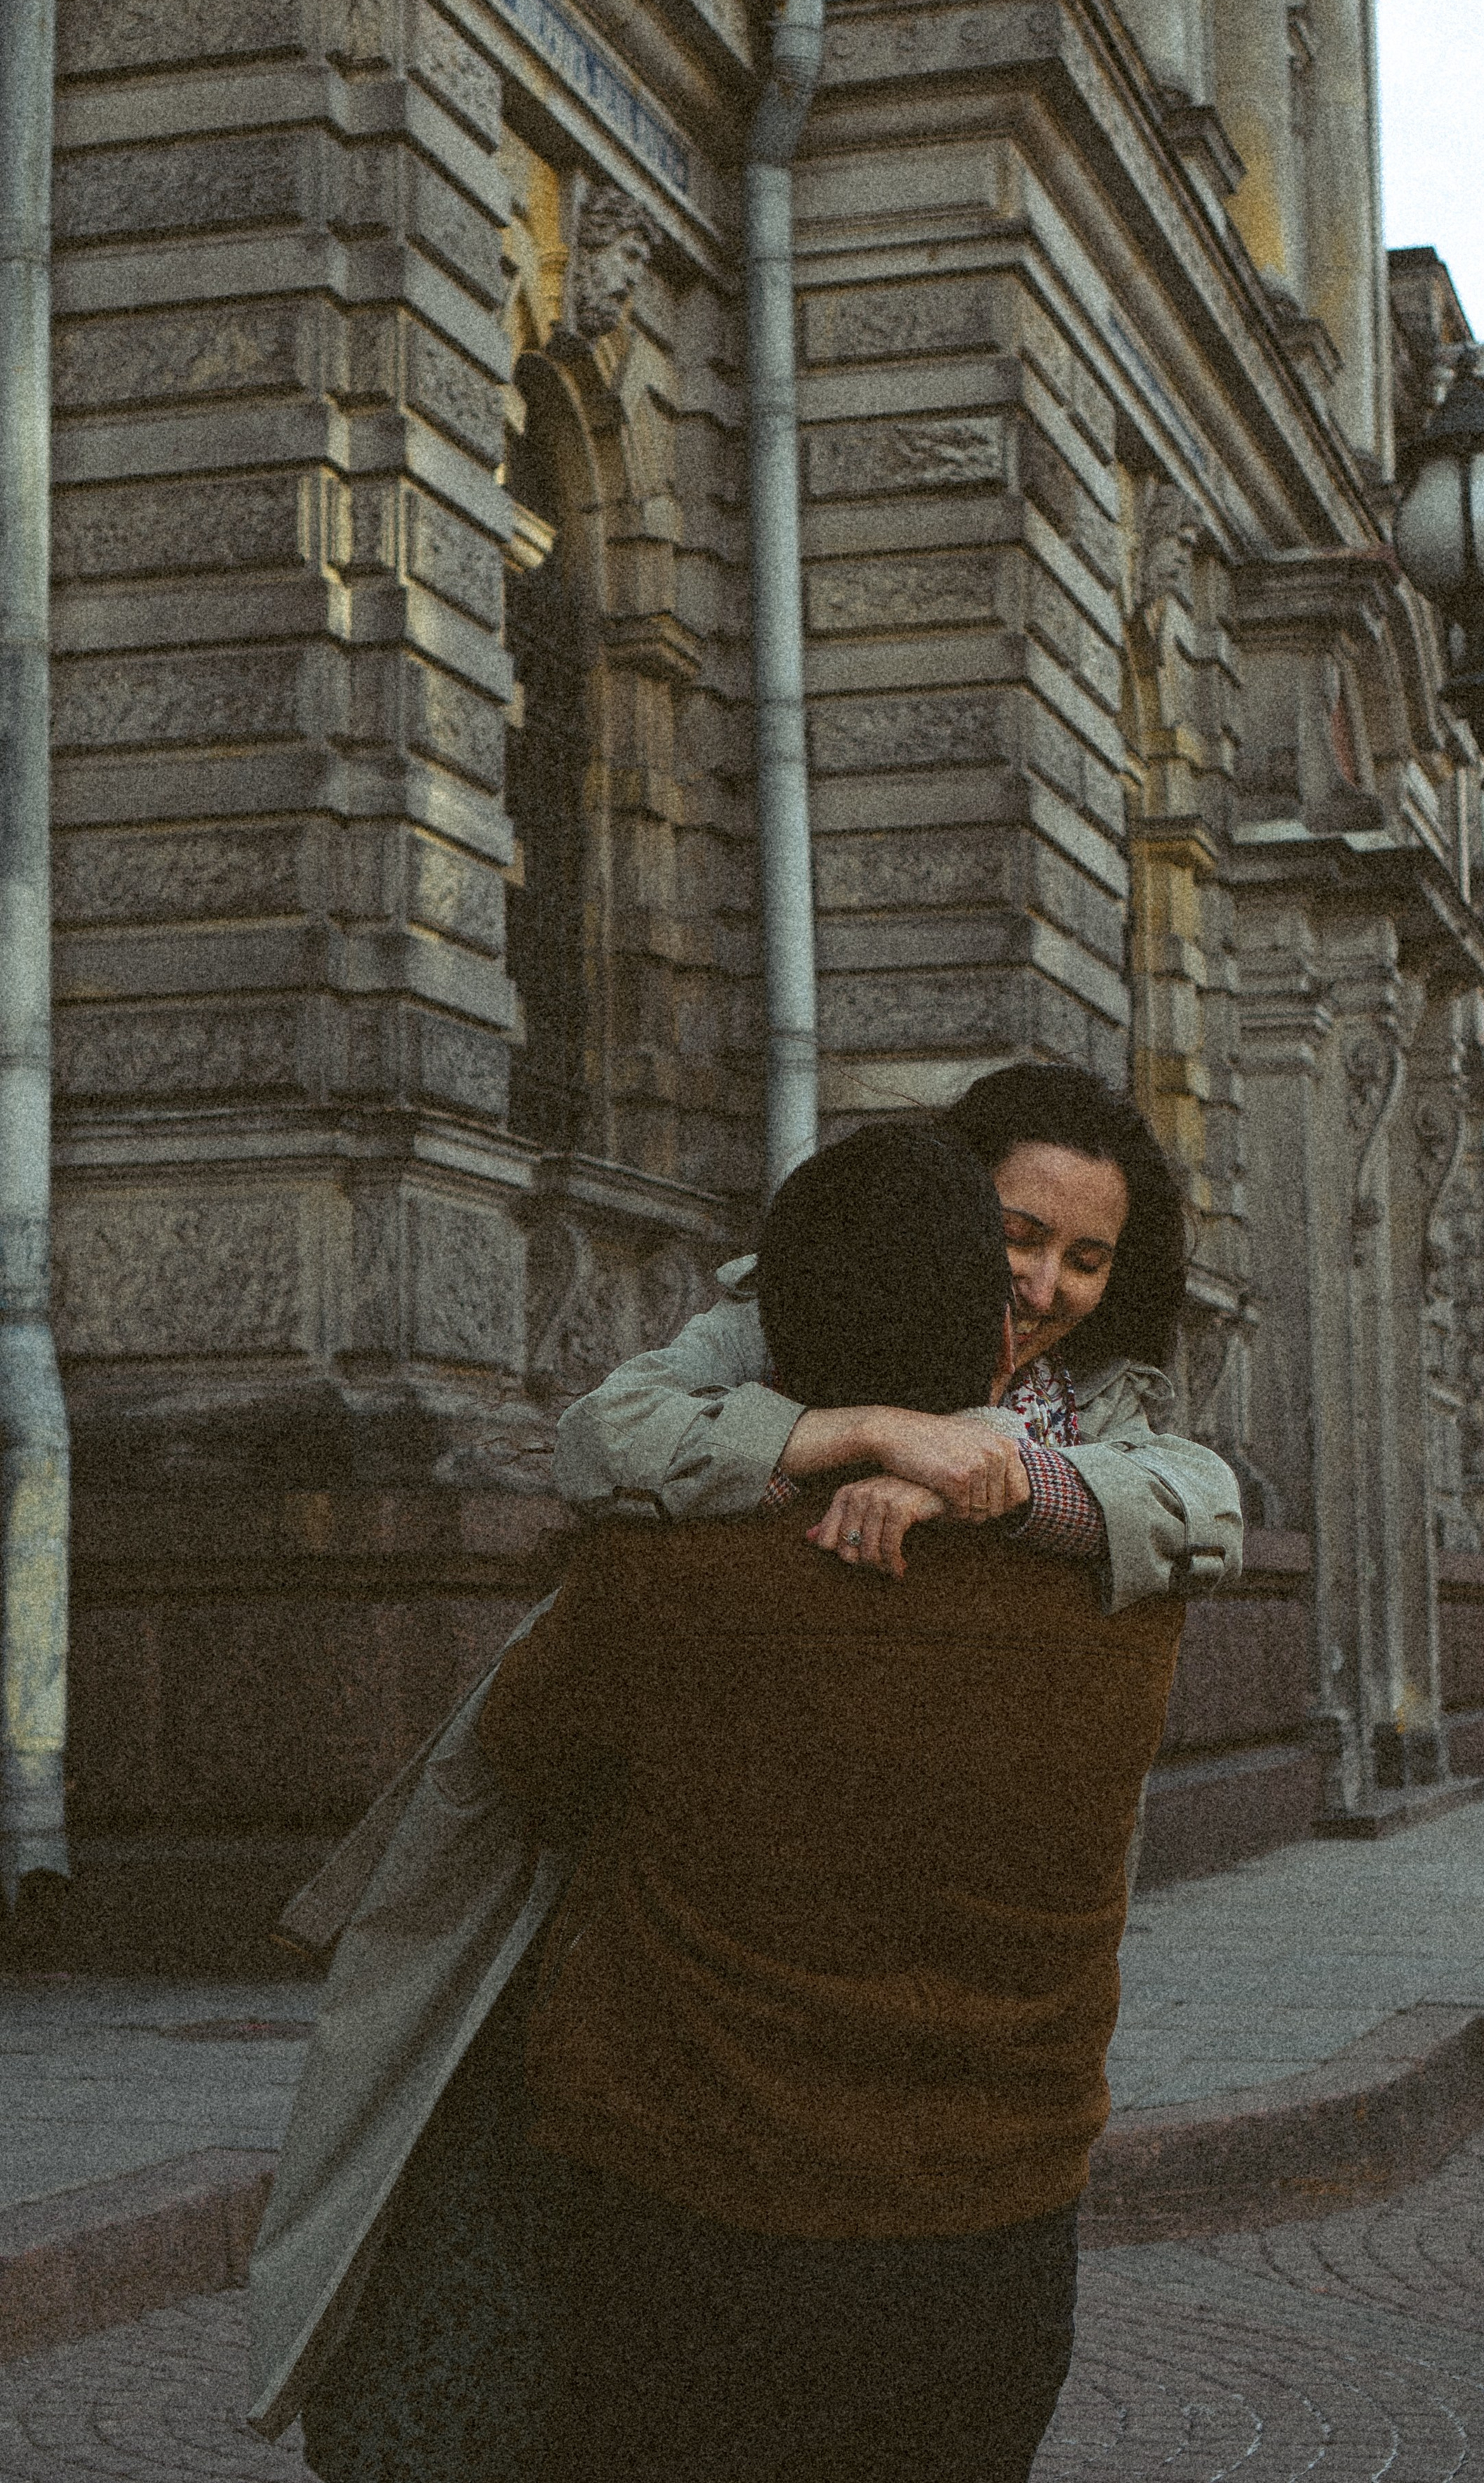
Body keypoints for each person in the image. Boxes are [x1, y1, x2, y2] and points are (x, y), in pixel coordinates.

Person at [475, 1121, 1199, 2482]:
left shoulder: (656, 1588)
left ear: (779, 1324)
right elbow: (1179, 1502)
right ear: (988, 1332)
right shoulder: (1124, 1615)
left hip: (687, 2203)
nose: (1045, 1294)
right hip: (996, 2229)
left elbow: (526, 1768)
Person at [555, 1060, 1241, 1604]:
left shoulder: (1086, 1386)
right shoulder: (779, 1316)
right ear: (947, 1197)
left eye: (1086, 1262)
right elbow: (605, 1436)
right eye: (1015, 1237)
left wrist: (983, 1477)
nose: (1041, 1287)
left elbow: (1203, 1508)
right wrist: (874, 1432)